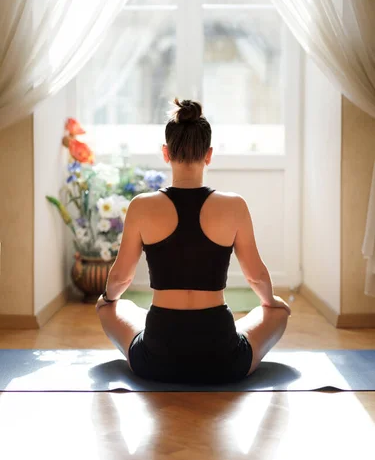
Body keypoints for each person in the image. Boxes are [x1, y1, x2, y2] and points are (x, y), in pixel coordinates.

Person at [96, 97, 291, 384]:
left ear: (165, 153)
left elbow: (120, 278)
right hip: (222, 359)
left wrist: (107, 299)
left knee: (115, 306)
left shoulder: (141, 206)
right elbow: (257, 277)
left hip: (156, 358)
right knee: (277, 313)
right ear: (209, 154)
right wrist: (271, 303)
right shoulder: (234, 205)